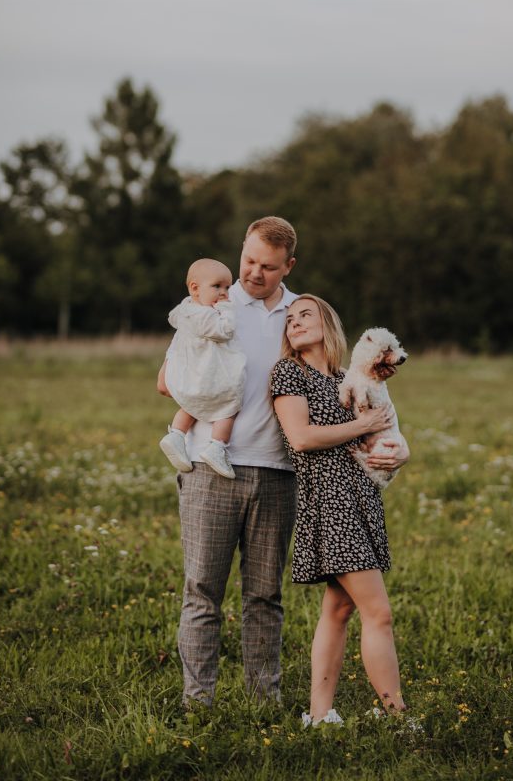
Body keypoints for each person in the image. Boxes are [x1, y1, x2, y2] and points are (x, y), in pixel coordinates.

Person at [158, 217, 298, 706]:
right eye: (250, 261)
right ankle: (198, 704)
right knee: (202, 592)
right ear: (242, 249)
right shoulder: (213, 301)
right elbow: (166, 378)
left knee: (265, 597)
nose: (255, 273)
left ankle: (265, 704)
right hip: (208, 466)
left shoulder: (300, 314)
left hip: (279, 472)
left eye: (269, 267)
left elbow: (331, 377)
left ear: (288, 267)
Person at [270, 294, 410, 726]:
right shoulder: (288, 373)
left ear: (327, 322)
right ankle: (398, 718)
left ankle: (318, 714)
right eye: (289, 319)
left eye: (304, 315)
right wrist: (362, 426)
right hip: (330, 503)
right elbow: (301, 437)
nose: (294, 322)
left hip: (362, 498)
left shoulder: (349, 377)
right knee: (378, 612)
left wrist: (399, 453)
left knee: (339, 609)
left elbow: (386, 430)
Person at [158, 258, 246, 480]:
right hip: (206, 375)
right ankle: (217, 446)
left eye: (227, 287)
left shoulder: (186, 310)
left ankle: (177, 435)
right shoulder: (206, 315)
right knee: (230, 406)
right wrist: (227, 310)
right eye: (217, 286)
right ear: (195, 289)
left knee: (191, 405)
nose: (224, 293)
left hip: (188, 374)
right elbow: (224, 331)